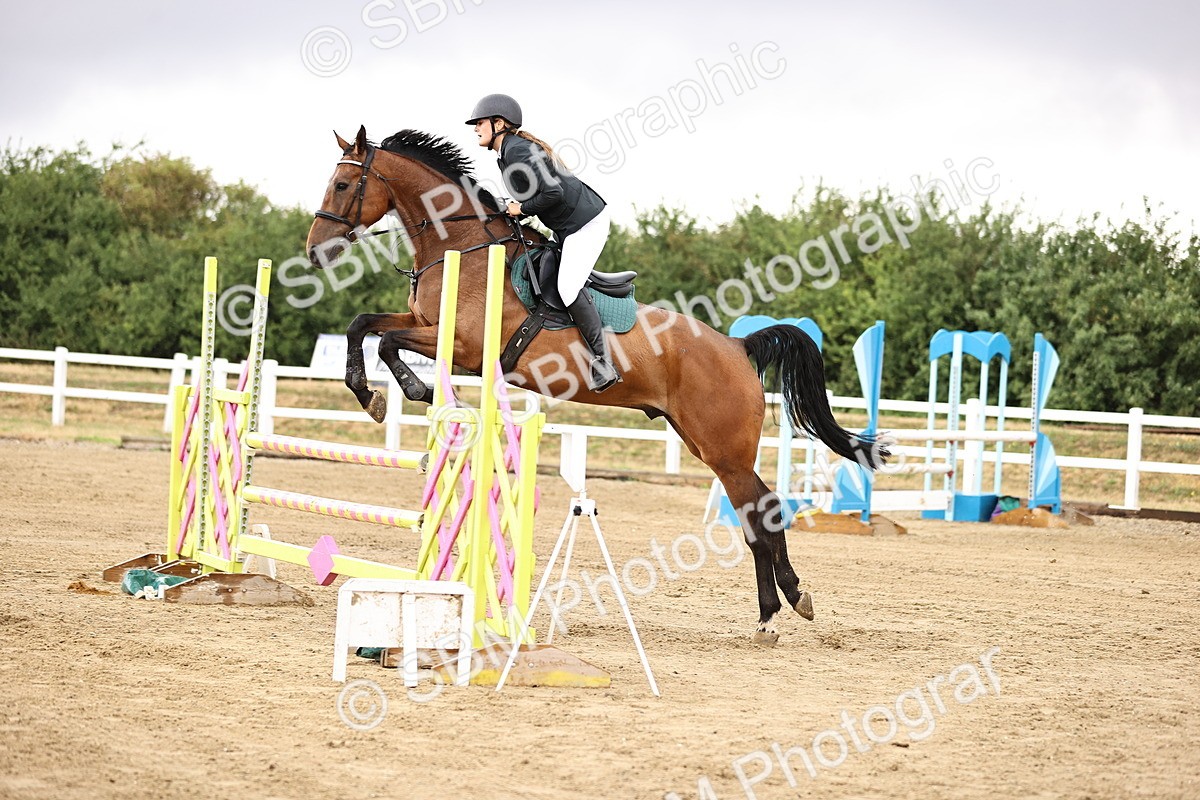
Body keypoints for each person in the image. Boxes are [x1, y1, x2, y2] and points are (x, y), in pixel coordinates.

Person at [465, 93, 620, 393]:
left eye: (480, 123)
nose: (475, 128)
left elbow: (553, 195)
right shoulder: (508, 152)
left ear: (499, 123)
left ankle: (604, 361)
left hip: (584, 224)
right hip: (566, 226)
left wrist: (519, 209)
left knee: (567, 287)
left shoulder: (518, 151)